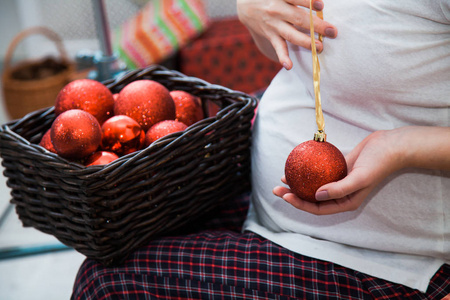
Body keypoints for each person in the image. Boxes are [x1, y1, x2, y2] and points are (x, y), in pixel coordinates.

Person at [72, 0, 450, 299]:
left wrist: (404, 147)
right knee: (119, 233)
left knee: (104, 281)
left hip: (389, 262)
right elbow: (320, 57)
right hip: (271, 209)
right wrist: (252, 12)